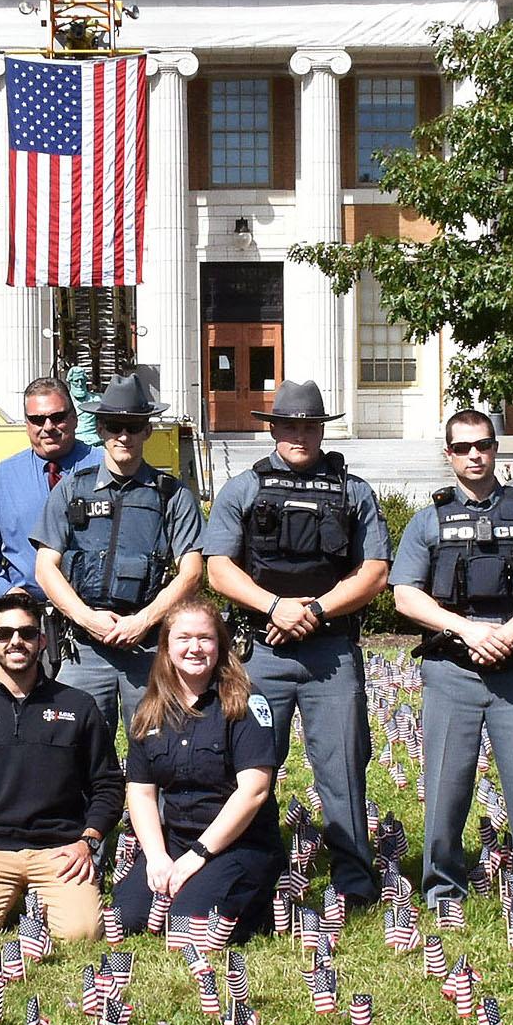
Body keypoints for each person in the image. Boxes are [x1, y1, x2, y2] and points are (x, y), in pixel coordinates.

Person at [203, 379, 390, 904]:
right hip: (262, 651)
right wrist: (274, 607)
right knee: (249, 766)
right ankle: (248, 870)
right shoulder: (243, 488)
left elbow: (375, 572)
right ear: (274, 428)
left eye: (309, 426)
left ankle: (354, 877)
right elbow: (218, 569)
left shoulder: (354, 491)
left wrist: (312, 609)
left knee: (343, 765)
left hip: (330, 651)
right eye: (288, 425)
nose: (299, 435)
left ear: (321, 430)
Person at [390, 408, 513, 909]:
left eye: (484, 445)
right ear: (447, 454)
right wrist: (469, 630)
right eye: (463, 447)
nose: (475, 455)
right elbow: (405, 594)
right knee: (445, 788)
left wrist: (509, 633)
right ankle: (442, 887)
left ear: (496, 448)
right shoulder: (428, 519)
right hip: (452, 671)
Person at [0, 592, 124, 949]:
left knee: (82, 936)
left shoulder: (78, 707)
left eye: (27, 633)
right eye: (3, 634)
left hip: (60, 850)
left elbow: (108, 785)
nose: (15, 641)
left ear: (42, 639)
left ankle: (40, 901)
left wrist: (88, 842)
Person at [34, 373, 205, 734]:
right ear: (100, 429)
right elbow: (45, 567)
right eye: (114, 426)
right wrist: (85, 617)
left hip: (148, 649)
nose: (123, 435)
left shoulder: (172, 496)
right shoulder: (72, 490)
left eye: (133, 425)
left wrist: (142, 621)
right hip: (84, 647)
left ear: (147, 431)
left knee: (159, 750)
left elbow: (191, 571)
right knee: (75, 754)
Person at [110, 598, 280, 939]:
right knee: (127, 917)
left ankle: (258, 902)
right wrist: (157, 857)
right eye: (183, 638)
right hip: (176, 839)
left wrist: (199, 855)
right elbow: (141, 793)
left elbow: (254, 791)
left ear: (220, 644)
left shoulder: (245, 701)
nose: (195, 648)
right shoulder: (151, 708)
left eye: (205, 638)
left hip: (237, 842)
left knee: (191, 925)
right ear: (166, 647)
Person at [0, 377, 99, 599]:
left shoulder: (105, 468)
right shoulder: (3, 478)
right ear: (27, 424)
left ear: (74, 419)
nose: (48, 427)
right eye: (37, 419)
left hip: (97, 610)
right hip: (28, 615)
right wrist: (6, 592)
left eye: (57, 417)